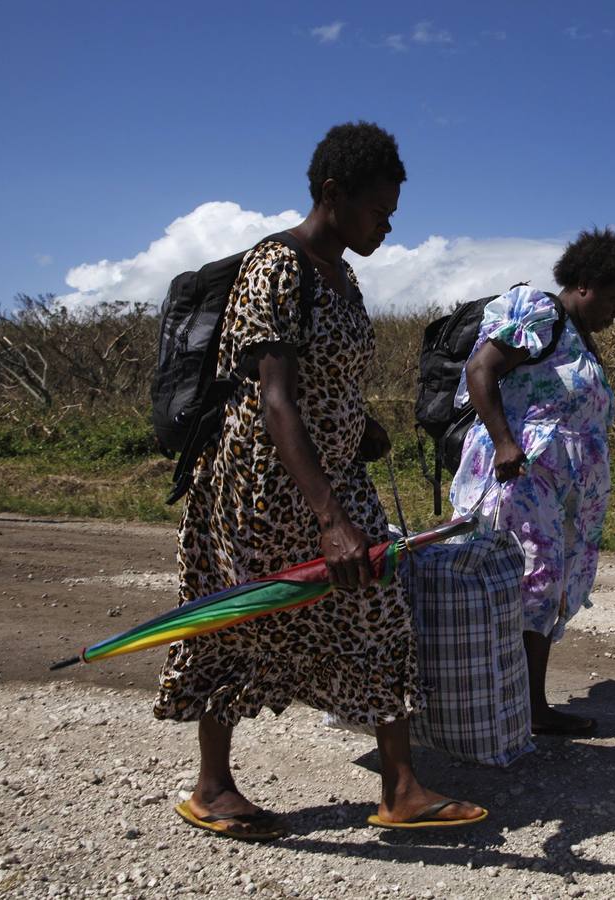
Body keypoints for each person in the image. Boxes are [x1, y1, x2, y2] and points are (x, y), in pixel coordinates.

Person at [153, 122, 485, 841]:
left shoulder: (344, 274)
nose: (387, 226)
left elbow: (324, 378)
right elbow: (274, 402)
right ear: (332, 194)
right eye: (378, 211)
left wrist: (357, 424)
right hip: (261, 493)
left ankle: (401, 789)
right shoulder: (277, 268)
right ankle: (212, 787)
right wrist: (330, 520)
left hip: (332, 475)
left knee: (380, 613)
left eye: (392, 213)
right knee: (240, 624)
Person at [449, 227, 615, 736]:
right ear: (585, 284)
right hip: (521, 483)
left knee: (543, 590)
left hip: (556, 494)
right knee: (525, 585)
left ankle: (526, 706)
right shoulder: (540, 312)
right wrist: (506, 443)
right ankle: (510, 707)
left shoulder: (580, 339)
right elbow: (480, 370)